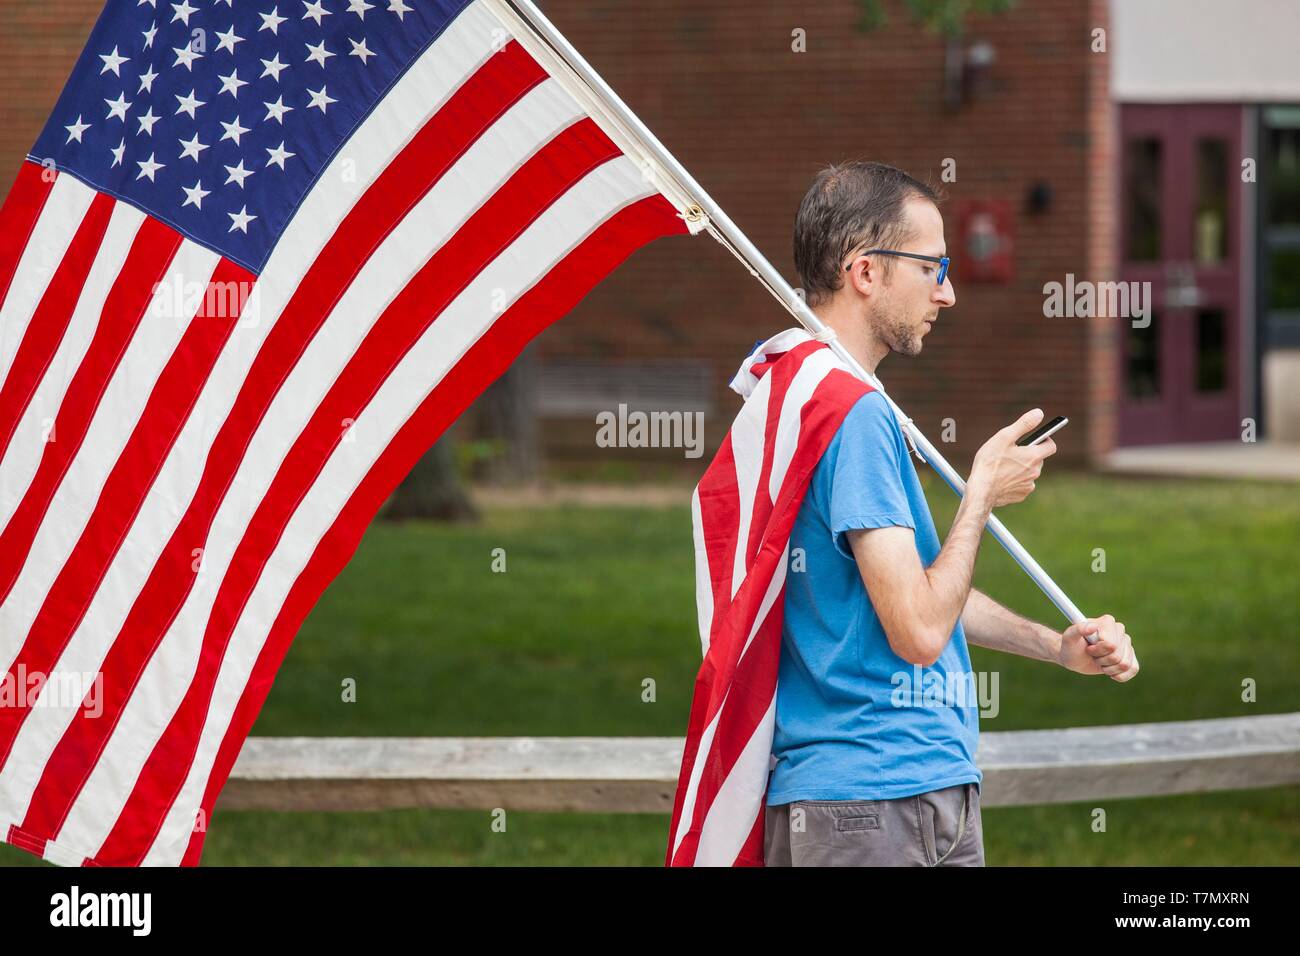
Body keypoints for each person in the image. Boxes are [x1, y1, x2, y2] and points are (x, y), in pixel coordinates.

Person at [762, 160, 1140, 867]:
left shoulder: (804, 390)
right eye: (933, 267)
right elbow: (918, 629)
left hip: (899, 797)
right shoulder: (853, 413)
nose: (949, 292)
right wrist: (980, 497)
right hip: (874, 805)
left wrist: (1053, 646)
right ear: (865, 271)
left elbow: (908, 592)